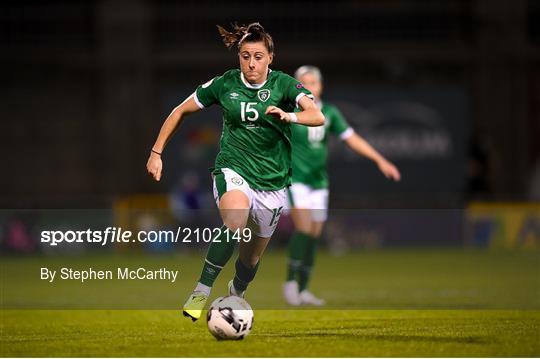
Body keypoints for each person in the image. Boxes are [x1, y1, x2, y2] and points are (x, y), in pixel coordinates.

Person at [146, 24, 324, 321]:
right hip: (233, 168)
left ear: (270, 58)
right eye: (244, 56)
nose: (251, 63)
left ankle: (237, 291)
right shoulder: (225, 84)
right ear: (238, 58)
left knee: (250, 260)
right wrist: (156, 152)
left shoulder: (284, 85)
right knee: (235, 221)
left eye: (257, 56)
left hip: (273, 182)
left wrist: (288, 114)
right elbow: (179, 111)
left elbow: (316, 115)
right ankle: (201, 291)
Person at [283, 65, 401, 306]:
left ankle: (304, 289)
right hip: (295, 179)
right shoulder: (289, 111)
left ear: (321, 86)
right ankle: (290, 283)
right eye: (304, 83)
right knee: (304, 230)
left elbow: (352, 139)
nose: (310, 87)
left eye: (314, 83)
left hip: (318, 181)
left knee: (314, 236)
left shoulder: (330, 113)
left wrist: (380, 159)